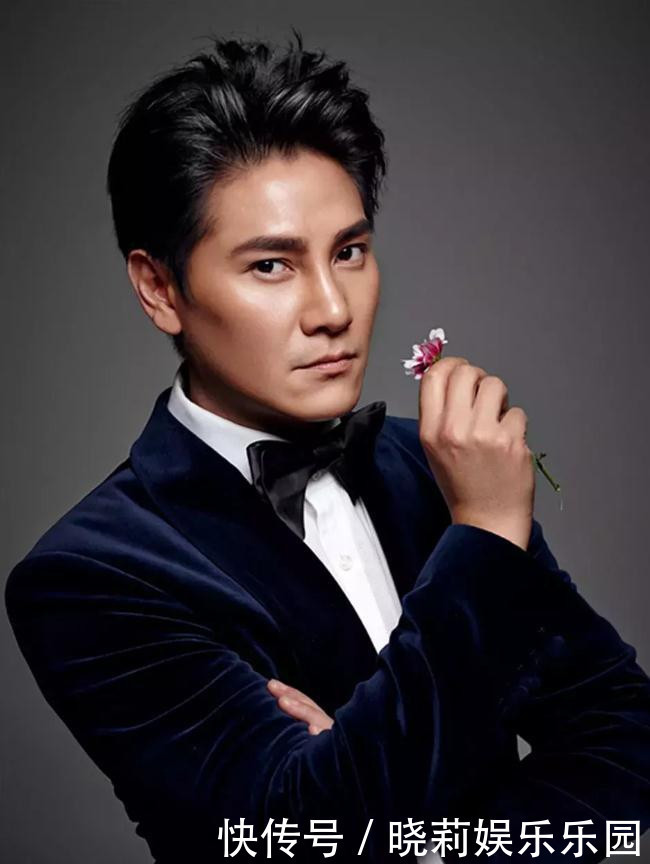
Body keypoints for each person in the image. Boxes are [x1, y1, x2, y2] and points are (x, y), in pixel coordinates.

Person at [4, 31, 650, 864]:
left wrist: (399, 828)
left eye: (349, 252)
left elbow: (628, 739)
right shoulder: (89, 576)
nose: (333, 310)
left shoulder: (436, 469)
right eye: (271, 266)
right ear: (160, 288)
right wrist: (486, 534)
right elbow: (295, 834)